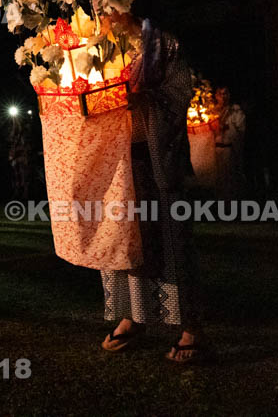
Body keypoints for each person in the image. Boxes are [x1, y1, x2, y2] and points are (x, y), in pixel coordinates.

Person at [99, 19, 209, 363]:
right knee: (127, 239)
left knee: (172, 238)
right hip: (119, 158)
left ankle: (191, 327)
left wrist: (143, 99)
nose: (103, 11)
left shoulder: (163, 44)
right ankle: (133, 315)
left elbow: (178, 95)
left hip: (158, 157)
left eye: (109, 2)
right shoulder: (101, 45)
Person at [213, 87, 246, 200]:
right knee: (218, 178)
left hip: (229, 148)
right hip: (215, 149)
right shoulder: (212, 111)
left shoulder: (235, 110)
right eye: (220, 94)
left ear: (229, 95)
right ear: (216, 96)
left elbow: (241, 129)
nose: (223, 96)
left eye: (225, 93)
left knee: (230, 177)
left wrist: (228, 128)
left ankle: (232, 201)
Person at [8, 115, 31, 201]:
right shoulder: (13, 133)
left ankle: (25, 195)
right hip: (15, 157)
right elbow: (10, 141)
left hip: (22, 157)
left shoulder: (25, 133)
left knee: (24, 176)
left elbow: (27, 146)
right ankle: (17, 193)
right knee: (16, 176)